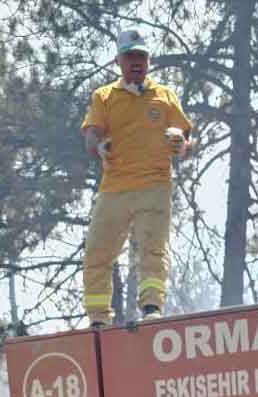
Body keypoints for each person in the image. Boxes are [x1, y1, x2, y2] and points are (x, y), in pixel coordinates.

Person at [81, 27, 194, 328]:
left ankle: (151, 307)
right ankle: (98, 320)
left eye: (141, 56)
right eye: (130, 56)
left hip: (155, 186)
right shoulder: (104, 96)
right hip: (114, 188)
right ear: (119, 61)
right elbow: (91, 136)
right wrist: (100, 147)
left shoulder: (165, 96)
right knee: (97, 251)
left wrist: (183, 146)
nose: (136, 62)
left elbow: (186, 138)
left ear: (148, 61)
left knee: (152, 247)